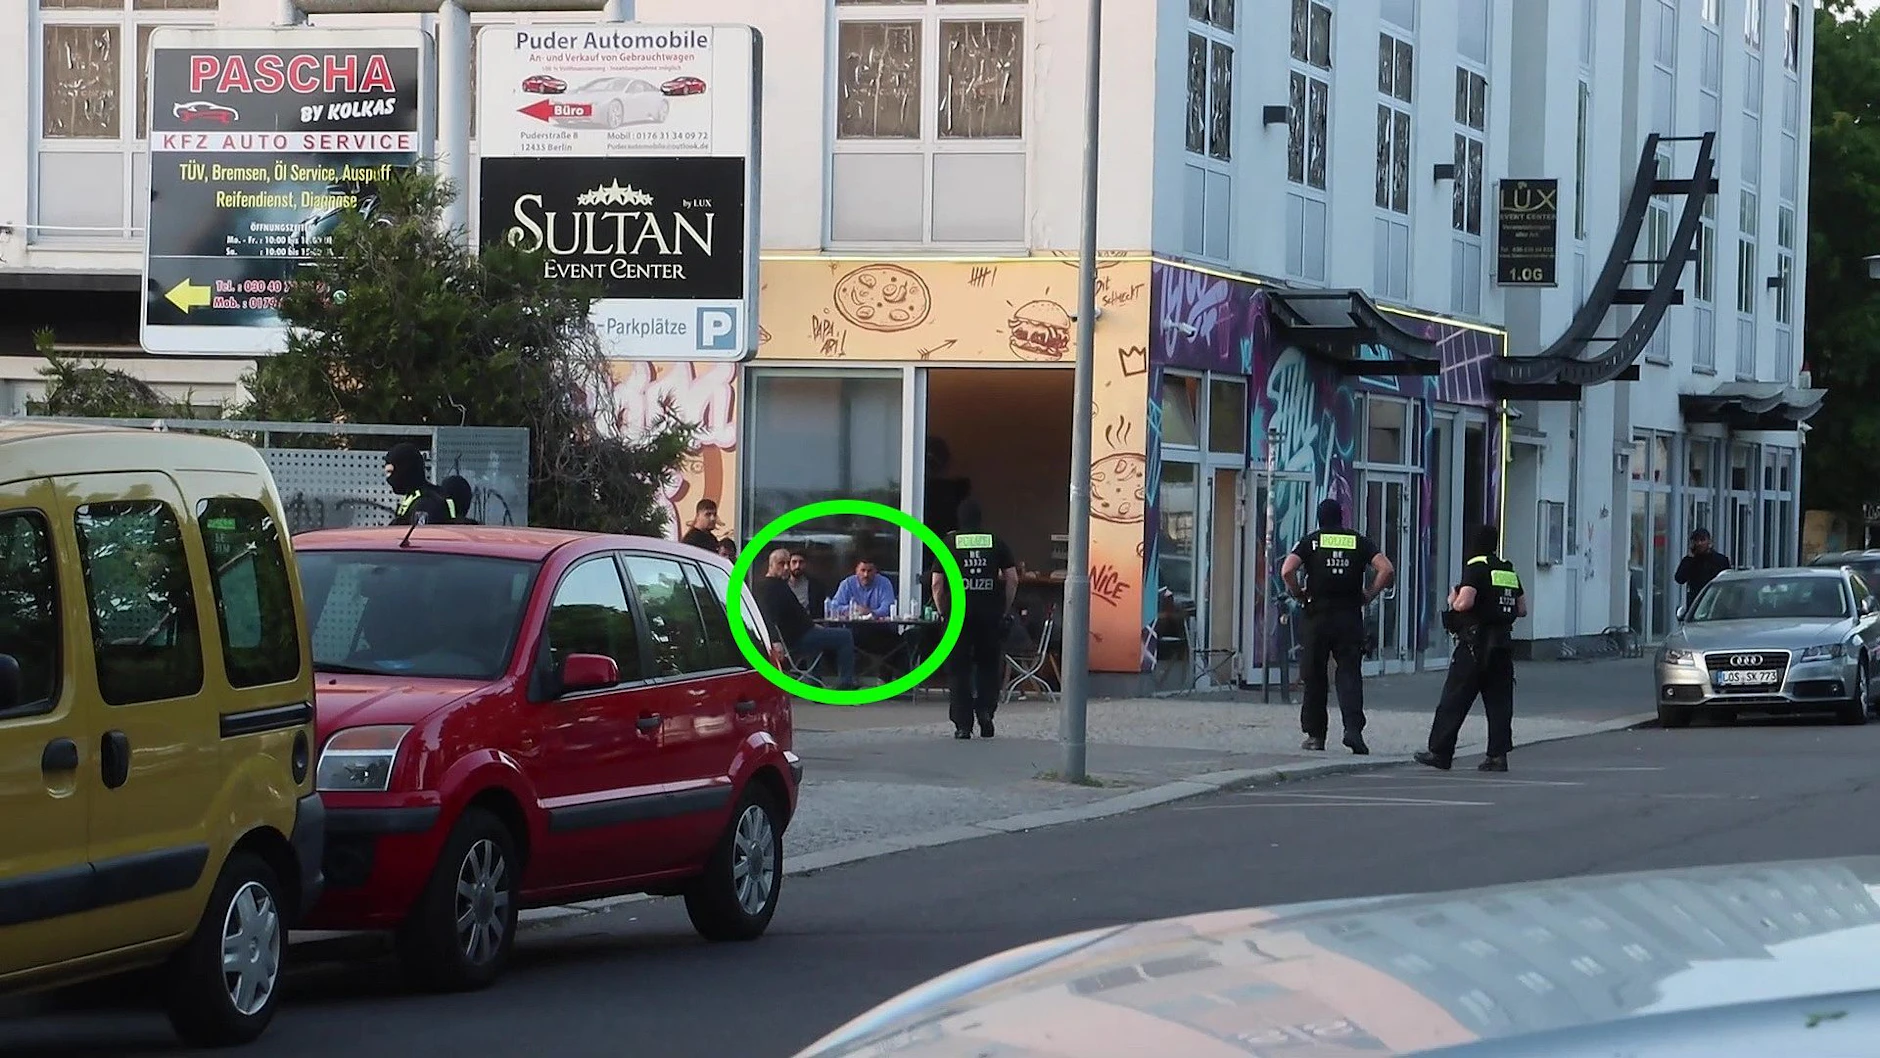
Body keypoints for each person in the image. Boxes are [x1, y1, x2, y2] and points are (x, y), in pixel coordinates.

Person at [1280, 498, 1394, 755]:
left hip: (1317, 615)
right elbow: (1386, 568)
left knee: (1315, 675)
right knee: (1349, 674)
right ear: (1341, 517)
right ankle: (1353, 731)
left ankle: (1315, 735)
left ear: (1320, 518)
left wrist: (1299, 594)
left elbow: (1287, 570)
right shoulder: (1357, 541)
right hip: (1349, 616)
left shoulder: (1312, 541)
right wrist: (1369, 594)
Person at [1417, 524, 1526, 773]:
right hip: (1502, 645)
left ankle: (1440, 752)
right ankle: (1497, 756)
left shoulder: (1476, 567)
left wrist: (1452, 600)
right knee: (1499, 703)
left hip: (1475, 645)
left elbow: (1465, 603)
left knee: (1454, 698)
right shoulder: (1507, 569)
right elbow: (1521, 609)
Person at [931, 498, 1017, 740]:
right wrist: (1004, 607)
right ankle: (986, 712)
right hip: (989, 614)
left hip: (957, 616)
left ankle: (963, 725)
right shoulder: (995, 541)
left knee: (959, 670)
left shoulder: (949, 543)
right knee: (989, 666)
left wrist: (943, 611)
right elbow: (1012, 579)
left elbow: (937, 583)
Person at [754, 547, 858, 691]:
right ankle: (846, 683)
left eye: (786, 563)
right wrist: (775, 641)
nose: (786, 568)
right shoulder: (769, 588)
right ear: (771, 565)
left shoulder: (777, 584)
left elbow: (796, 613)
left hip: (804, 631)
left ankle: (814, 683)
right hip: (795, 638)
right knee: (845, 636)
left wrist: (813, 626)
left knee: (818, 641)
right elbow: (767, 615)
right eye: (781, 564)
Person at [385, 442, 451, 527]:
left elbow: (420, 537)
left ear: (405, 470)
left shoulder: (426, 503)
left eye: (391, 472)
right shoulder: (413, 497)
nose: (388, 478)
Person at [1674, 528, 1730, 610]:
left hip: (1716, 603)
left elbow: (1727, 582)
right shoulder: (1690, 560)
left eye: (1702, 540)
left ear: (1709, 542)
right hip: (1696, 603)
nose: (1699, 543)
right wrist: (1690, 559)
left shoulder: (1720, 560)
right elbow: (1679, 578)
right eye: (1696, 541)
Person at [831, 556, 896, 618]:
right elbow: (833, 606)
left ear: (875, 571)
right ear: (856, 571)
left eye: (870, 571)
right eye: (863, 570)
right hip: (851, 625)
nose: (866, 575)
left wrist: (869, 612)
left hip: (878, 626)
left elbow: (887, 609)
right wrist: (854, 608)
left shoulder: (884, 583)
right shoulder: (847, 584)